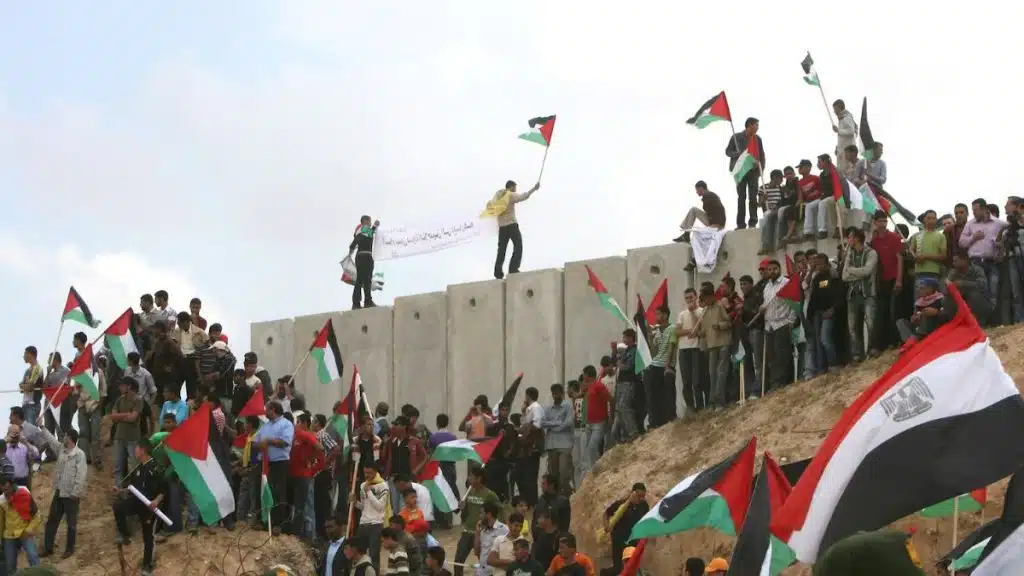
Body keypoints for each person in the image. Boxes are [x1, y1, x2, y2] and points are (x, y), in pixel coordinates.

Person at [112, 437, 165, 575]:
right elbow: (133, 489)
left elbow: (163, 490)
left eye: (136, 448)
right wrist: (120, 491)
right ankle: (125, 535)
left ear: (142, 450)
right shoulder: (138, 468)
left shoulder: (155, 467)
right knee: (118, 506)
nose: (134, 451)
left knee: (148, 536)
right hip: (136, 502)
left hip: (150, 506)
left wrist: (156, 501)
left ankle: (147, 565)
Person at [39, 427, 87, 559]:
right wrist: (42, 428)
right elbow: (51, 440)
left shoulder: (79, 455)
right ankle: (48, 548)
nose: (63, 437)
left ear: (70, 438)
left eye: (65, 436)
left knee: (71, 524)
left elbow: (81, 475)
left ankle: (69, 549)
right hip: (59, 492)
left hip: (71, 495)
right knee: (52, 521)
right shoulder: (61, 450)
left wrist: (75, 492)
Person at [252, 401, 295, 534]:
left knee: (278, 492)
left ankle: (278, 523)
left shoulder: (286, 424)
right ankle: (262, 520)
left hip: (279, 463)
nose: (265, 412)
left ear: (274, 410)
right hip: (264, 462)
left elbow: (285, 442)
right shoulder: (265, 426)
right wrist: (259, 444)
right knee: (261, 490)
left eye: (267, 409)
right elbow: (254, 442)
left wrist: (268, 441)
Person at [959, 197, 1006, 317]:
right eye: (973, 210)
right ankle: (980, 321)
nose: (973, 213)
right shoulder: (970, 224)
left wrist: (999, 245)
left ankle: (991, 320)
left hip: (993, 262)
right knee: (978, 292)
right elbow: (961, 242)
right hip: (976, 263)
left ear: (984, 209)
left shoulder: (999, 223)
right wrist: (973, 237)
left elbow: (1006, 239)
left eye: (975, 210)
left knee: (993, 292)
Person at [842, 228, 879, 362]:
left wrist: (851, 270)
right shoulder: (849, 254)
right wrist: (859, 273)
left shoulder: (871, 253)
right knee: (852, 327)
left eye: (850, 237)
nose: (848, 240)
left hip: (868, 293)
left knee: (870, 322)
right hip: (853, 295)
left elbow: (867, 271)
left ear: (857, 238)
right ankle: (858, 354)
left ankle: (873, 349)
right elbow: (844, 277)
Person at [456, 466, 501, 576]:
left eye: (471, 476)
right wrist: (462, 507)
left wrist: (496, 528)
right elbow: (465, 514)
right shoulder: (469, 492)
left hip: (482, 533)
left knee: (484, 562)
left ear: (479, 478)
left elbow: (499, 510)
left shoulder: (490, 495)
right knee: (458, 561)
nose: (469, 478)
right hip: (467, 531)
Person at [491, 180, 541, 280]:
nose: (515, 190)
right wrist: (534, 189)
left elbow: (492, 207)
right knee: (518, 246)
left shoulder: (498, 195)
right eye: (515, 188)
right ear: (511, 187)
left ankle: (498, 273)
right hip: (512, 225)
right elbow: (523, 196)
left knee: (501, 251)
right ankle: (513, 268)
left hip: (502, 228)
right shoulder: (510, 194)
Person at [760, 260, 796, 391]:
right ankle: (775, 382)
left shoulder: (786, 283)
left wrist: (791, 321)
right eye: (769, 269)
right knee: (772, 357)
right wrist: (762, 308)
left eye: (775, 269)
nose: (772, 271)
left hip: (782, 323)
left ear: (779, 269)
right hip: (769, 325)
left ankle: (780, 383)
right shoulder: (767, 286)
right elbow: (766, 303)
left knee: (782, 356)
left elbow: (793, 302)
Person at [725, 117, 765, 229]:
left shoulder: (757, 139)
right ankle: (740, 224)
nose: (757, 127)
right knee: (741, 197)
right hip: (740, 171)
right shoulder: (736, 137)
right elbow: (728, 151)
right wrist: (737, 154)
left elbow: (761, 154)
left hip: (753, 171)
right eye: (756, 125)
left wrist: (761, 168)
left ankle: (753, 222)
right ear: (749, 125)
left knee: (753, 197)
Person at [695, 286, 731, 410]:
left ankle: (720, 401)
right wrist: (698, 333)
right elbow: (705, 330)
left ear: (711, 296)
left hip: (723, 342)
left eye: (705, 298)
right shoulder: (705, 310)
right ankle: (713, 401)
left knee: (721, 372)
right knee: (712, 374)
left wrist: (720, 326)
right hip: (711, 344)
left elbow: (729, 322)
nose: (704, 301)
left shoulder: (720, 306)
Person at [289, 412, 323, 539]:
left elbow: (319, 448)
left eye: (298, 422)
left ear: (304, 423)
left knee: (305, 505)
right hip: (295, 474)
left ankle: (308, 535)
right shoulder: (295, 435)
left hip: (304, 475)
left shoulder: (305, 435)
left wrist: (310, 460)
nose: (296, 424)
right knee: (297, 504)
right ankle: (297, 530)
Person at [601, 484, 649, 575]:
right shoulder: (621, 504)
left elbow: (646, 520)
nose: (641, 499)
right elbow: (606, 514)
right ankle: (604, 573)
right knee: (618, 569)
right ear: (632, 493)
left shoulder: (644, 506)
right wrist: (606, 526)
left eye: (643, 496)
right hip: (618, 540)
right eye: (639, 496)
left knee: (631, 567)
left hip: (632, 541)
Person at [806, 253, 841, 376]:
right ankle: (822, 368)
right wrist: (810, 314)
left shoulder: (833, 276)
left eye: (821, 264)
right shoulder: (816, 278)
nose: (819, 267)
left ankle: (834, 363)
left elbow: (839, 295)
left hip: (828, 312)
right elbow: (813, 296)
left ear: (827, 264)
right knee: (818, 343)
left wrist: (833, 309)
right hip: (817, 313)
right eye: (817, 265)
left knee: (825, 339)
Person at [644, 305, 677, 428]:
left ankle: (671, 419)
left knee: (668, 394)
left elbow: (671, 348)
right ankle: (655, 423)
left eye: (658, 314)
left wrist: (668, 366)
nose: (656, 317)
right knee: (654, 396)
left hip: (666, 366)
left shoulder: (672, 328)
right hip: (654, 365)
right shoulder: (656, 330)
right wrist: (650, 336)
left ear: (665, 315)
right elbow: (653, 349)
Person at [354, 462, 390, 571]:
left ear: (375, 471)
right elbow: (363, 506)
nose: (366, 475)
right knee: (359, 554)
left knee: (374, 555)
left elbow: (380, 507)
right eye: (365, 472)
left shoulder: (383, 485)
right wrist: (354, 502)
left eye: (369, 473)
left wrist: (369, 492)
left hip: (376, 524)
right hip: (363, 523)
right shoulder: (362, 485)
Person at [1, 476, 41, 572]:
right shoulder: (2, 501)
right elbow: (1, 522)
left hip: (24, 532)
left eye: (7, 488)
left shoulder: (24, 493)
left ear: (11, 485)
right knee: (10, 564)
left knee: (33, 556)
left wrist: (29, 529)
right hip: (9, 535)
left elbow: (36, 516)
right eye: (3, 490)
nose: (6, 492)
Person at [540, 385, 573, 496]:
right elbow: (542, 423)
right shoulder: (548, 409)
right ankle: (555, 497)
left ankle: (566, 496)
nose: (556, 395)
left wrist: (553, 427)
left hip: (565, 444)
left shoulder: (568, 406)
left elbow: (568, 423)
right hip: (551, 444)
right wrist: (558, 423)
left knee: (564, 472)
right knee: (553, 475)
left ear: (562, 393)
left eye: (558, 393)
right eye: (554, 393)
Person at [897, 278, 951, 343]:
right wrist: (914, 319)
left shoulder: (941, 299)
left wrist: (936, 312)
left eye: (922, 288)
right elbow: (916, 319)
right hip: (919, 328)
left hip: (935, 328)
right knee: (901, 322)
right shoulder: (919, 303)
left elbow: (948, 316)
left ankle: (916, 340)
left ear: (930, 289)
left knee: (926, 313)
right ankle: (910, 341)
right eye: (918, 288)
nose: (919, 290)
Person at [949, 250, 992, 323]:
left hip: (980, 300)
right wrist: (949, 286)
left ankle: (979, 322)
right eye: (953, 261)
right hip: (962, 299)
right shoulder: (953, 272)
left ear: (964, 260)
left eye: (956, 261)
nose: (953, 263)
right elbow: (945, 287)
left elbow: (983, 285)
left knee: (974, 295)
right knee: (946, 300)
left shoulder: (977, 269)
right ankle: (956, 323)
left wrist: (963, 283)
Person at [349, 215, 381, 309]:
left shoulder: (364, 231)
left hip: (363, 257)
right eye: (369, 221)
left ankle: (362, 302)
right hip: (364, 257)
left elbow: (369, 233)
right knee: (363, 280)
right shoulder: (363, 230)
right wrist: (374, 226)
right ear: (365, 221)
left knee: (364, 280)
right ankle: (361, 302)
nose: (370, 223)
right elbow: (367, 233)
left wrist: (350, 252)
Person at [910, 210, 947, 286]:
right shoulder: (916, 235)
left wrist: (926, 256)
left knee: (933, 294)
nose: (931, 221)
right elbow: (911, 250)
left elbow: (943, 256)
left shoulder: (941, 236)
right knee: (920, 293)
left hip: (934, 272)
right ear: (924, 219)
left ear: (936, 220)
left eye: (933, 218)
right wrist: (915, 257)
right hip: (919, 272)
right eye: (928, 218)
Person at [757, 169, 786, 254]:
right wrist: (763, 198)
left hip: (778, 209)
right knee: (767, 216)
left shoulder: (781, 188)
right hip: (768, 210)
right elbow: (759, 204)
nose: (782, 180)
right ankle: (766, 245)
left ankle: (768, 245)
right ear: (774, 178)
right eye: (780, 178)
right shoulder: (763, 188)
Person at [795, 159, 825, 240]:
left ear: (808, 168)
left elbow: (822, 190)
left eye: (801, 167)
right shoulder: (799, 182)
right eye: (799, 167)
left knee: (809, 206)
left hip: (819, 199)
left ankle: (808, 232)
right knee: (806, 206)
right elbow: (800, 197)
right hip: (808, 202)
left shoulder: (816, 178)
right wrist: (796, 205)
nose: (799, 169)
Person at [487, 511, 524, 575]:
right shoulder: (499, 539)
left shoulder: (523, 543)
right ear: (509, 524)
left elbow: (519, 568)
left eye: (520, 526)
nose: (518, 529)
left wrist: (497, 562)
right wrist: (508, 561)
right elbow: (490, 561)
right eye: (516, 525)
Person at [19, 346, 44, 428]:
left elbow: (29, 387)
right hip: (25, 403)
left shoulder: (37, 368)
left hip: (33, 404)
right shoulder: (27, 370)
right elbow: (21, 388)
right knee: (25, 430)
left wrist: (24, 386)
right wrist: (24, 386)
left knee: (31, 430)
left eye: (25, 354)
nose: (24, 356)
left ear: (30, 354)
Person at [832, 99, 858, 171]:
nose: (834, 111)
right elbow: (842, 136)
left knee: (847, 171)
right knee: (841, 171)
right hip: (842, 150)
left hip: (848, 152)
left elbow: (851, 131)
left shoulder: (847, 118)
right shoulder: (842, 119)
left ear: (839, 107)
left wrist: (838, 130)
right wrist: (838, 147)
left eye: (835, 109)